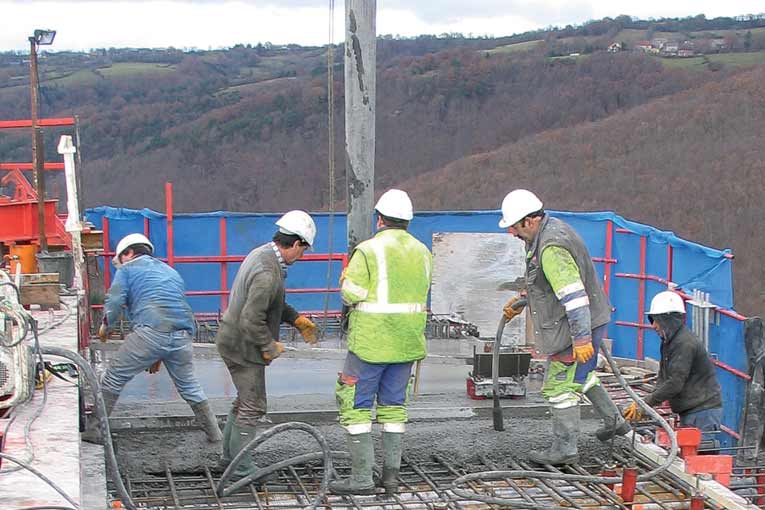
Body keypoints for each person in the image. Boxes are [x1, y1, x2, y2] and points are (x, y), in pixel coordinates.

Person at [499, 189, 629, 466]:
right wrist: (523, 300)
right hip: (585, 321)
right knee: (581, 375)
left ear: (530, 221)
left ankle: (565, 448)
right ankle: (615, 421)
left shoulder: (551, 248)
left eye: (514, 226)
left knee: (558, 388)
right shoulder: (549, 232)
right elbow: (547, 286)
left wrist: (581, 339)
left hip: (574, 328)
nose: (512, 232)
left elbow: (573, 296)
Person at [330, 189, 433, 496]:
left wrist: (345, 280)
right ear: (407, 222)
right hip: (407, 344)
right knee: (393, 409)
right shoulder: (424, 252)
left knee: (354, 406)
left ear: (379, 220)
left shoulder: (368, 251)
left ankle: (361, 479)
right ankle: (390, 476)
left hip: (371, 344)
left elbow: (352, 294)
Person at [215, 210, 319, 478]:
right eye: (303, 251)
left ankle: (229, 459)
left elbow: (272, 304)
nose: (302, 256)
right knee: (253, 405)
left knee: (244, 402)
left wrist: (295, 319)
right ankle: (241, 468)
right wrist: (268, 345)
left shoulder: (264, 255)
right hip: (242, 344)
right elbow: (252, 318)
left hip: (233, 338)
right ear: (295, 244)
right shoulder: (267, 272)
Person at [91, 233, 221, 444]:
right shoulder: (171, 272)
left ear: (129, 253)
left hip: (150, 331)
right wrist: (158, 356)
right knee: (189, 386)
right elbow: (169, 312)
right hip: (183, 336)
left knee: (114, 377)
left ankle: (95, 429)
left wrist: (105, 326)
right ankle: (214, 434)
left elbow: (115, 301)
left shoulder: (127, 269)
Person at [624, 290, 723, 440]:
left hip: (702, 412)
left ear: (669, 319)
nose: (654, 326)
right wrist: (645, 405)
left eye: (657, 320)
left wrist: (646, 403)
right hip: (691, 410)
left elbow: (675, 382)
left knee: (699, 457)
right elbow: (664, 377)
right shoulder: (670, 341)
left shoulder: (684, 344)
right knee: (688, 456)